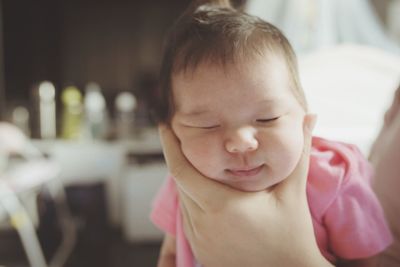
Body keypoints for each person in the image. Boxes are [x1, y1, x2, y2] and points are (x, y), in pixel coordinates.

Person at [150, 1, 393, 266]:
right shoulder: (183, 179)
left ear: (304, 118)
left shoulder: (335, 179)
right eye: (207, 125)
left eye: (268, 118)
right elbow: (171, 253)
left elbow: (369, 262)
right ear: (173, 134)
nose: (242, 142)